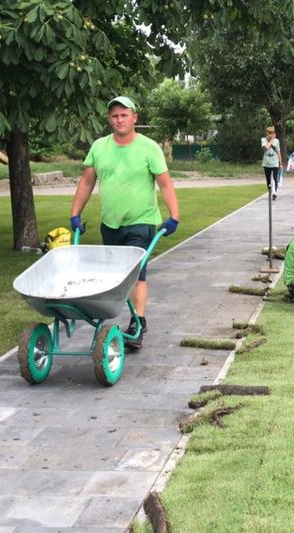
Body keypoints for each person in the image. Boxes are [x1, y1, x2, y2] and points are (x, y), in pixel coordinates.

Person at [70, 95, 180, 351]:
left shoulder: (149, 148)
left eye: (124, 115)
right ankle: (118, 320)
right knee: (117, 276)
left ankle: (137, 322)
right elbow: (87, 182)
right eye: (115, 116)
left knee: (136, 273)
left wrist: (174, 215)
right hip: (110, 223)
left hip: (141, 222)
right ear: (110, 119)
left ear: (134, 117)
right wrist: (75, 214)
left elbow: (164, 183)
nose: (119, 120)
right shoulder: (99, 147)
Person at [261, 126, 281, 200]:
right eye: (269, 133)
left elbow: (278, 151)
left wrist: (280, 162)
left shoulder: (277, 141)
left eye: (272, 133)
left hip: (275, 162)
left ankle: (274, 192)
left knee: (275, 178)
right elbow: (266, 147)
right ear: (267, 133)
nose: (271, 135)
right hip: (266, 162)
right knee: (268, 179)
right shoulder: (263, 140)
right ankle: (270, 191)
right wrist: (272, 140)